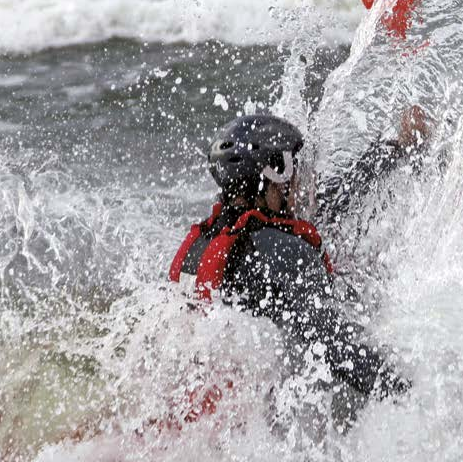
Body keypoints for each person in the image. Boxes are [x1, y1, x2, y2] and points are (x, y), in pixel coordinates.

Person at [168, 108, 427, 403]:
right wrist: (409, 396)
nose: (301, 186)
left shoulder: (207, 240)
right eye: (294, 172)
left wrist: (394, 149)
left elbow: (334, 202)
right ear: (272, 174)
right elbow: (334, 344)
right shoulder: (281, 251)